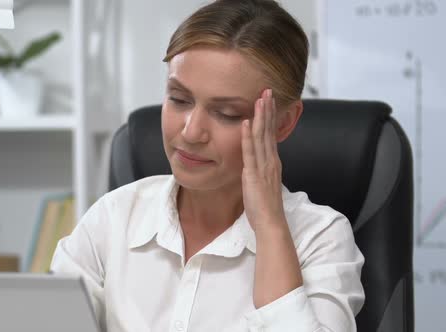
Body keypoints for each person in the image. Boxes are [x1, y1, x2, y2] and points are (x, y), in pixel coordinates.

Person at [51, 0, 365, 331]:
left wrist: (270, 227)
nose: (191, 131)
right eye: (179, 99)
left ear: (283, 123)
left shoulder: (321, 237)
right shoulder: (113, 218)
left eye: (226, 113)